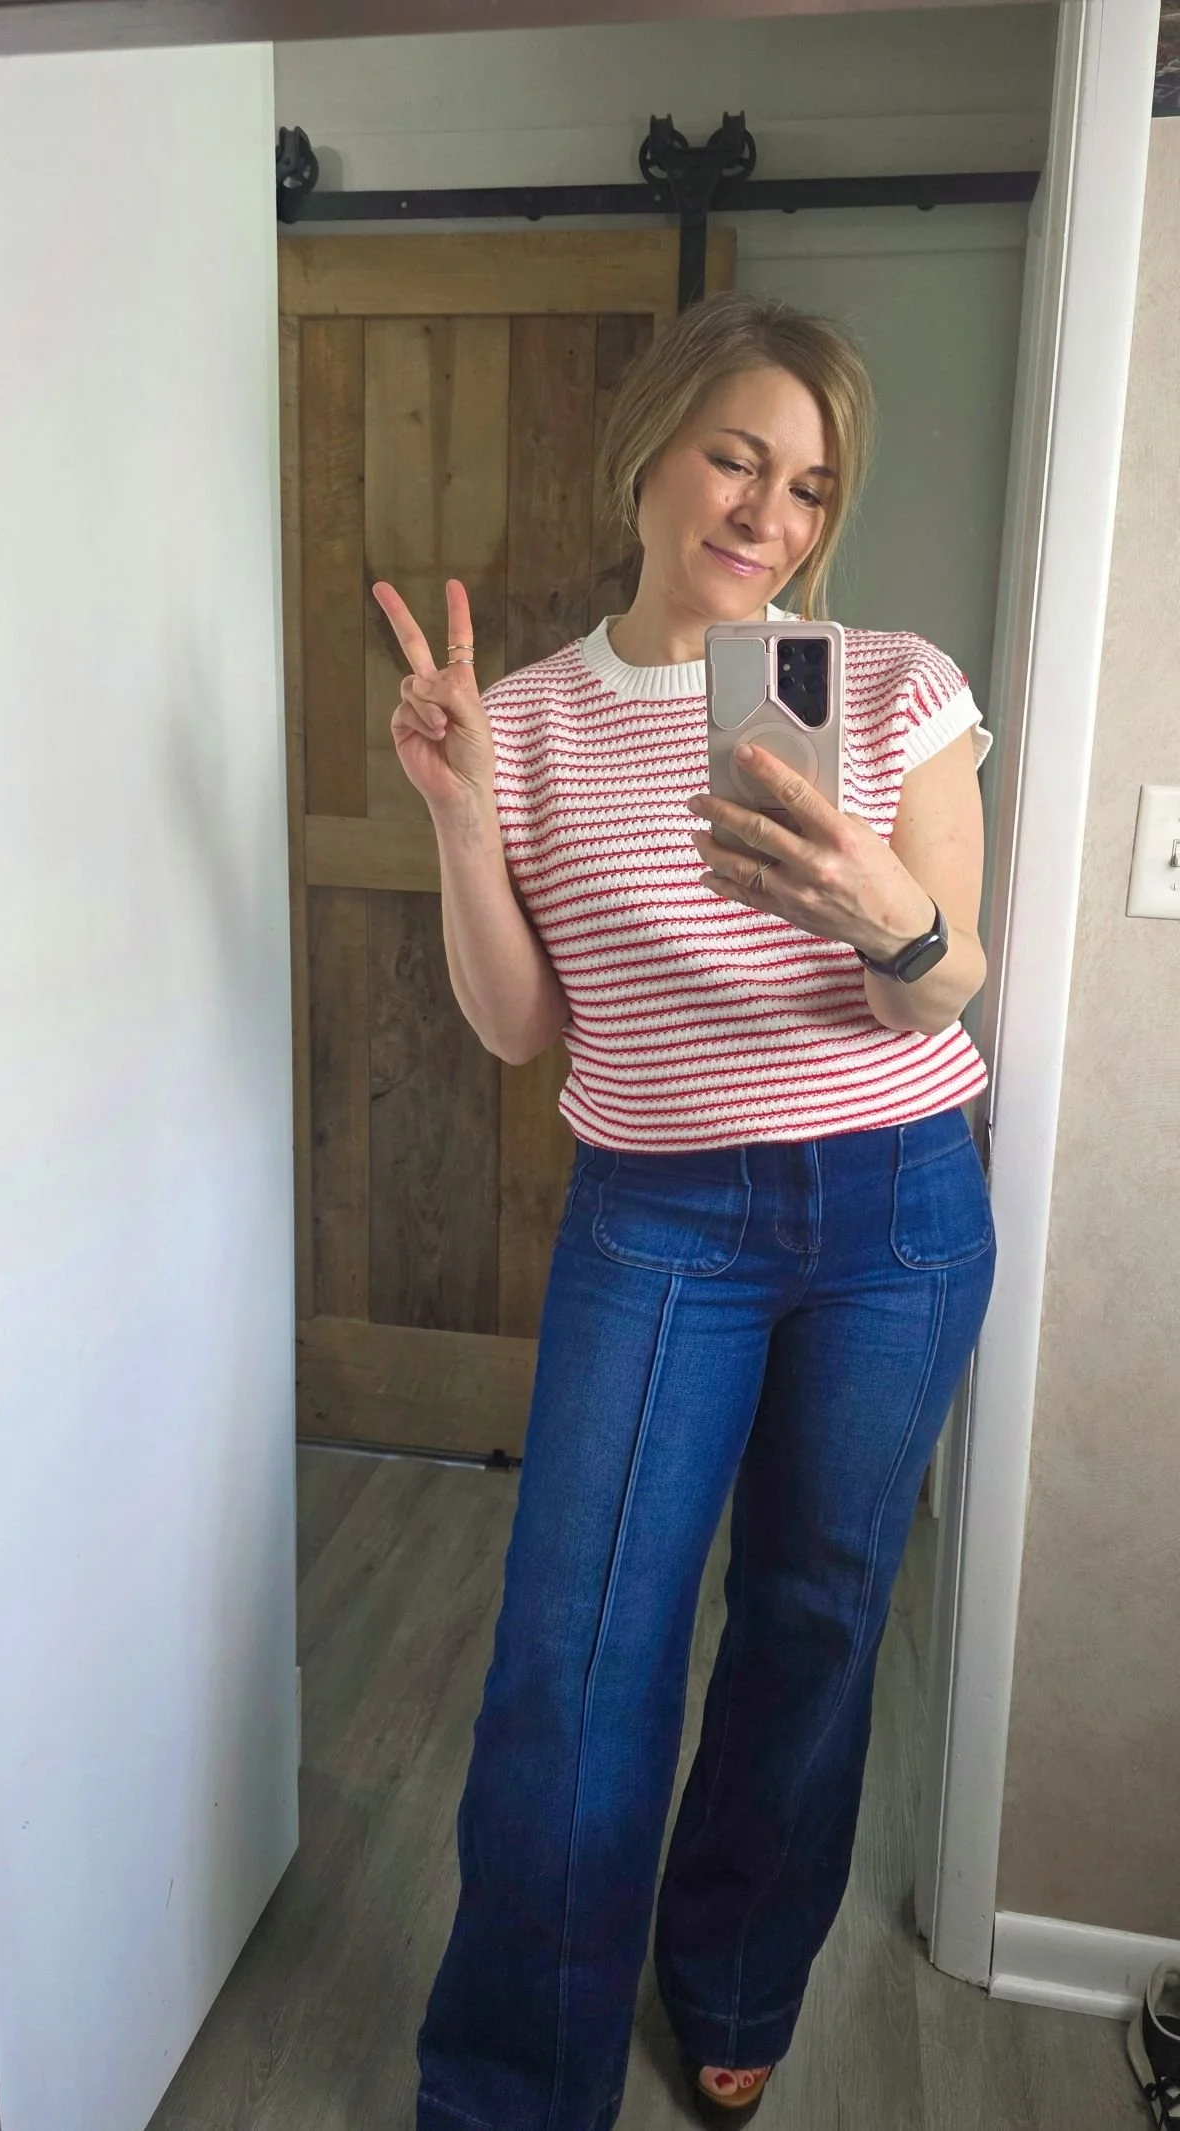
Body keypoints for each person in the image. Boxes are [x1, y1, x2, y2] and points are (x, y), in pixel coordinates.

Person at [373, 291, 997, 2131]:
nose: (767, 513)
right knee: (577, 1661)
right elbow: (518, 1028)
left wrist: (871, 893)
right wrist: (459, 811)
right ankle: (507, 2089)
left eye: (810, 487)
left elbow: (938, 993)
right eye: (739, 455)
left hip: (896, 1213)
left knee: (813, 1613)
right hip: (657, 1224)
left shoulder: (890, 687)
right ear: (651, 447)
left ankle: (731, 1971)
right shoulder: (542, 721)